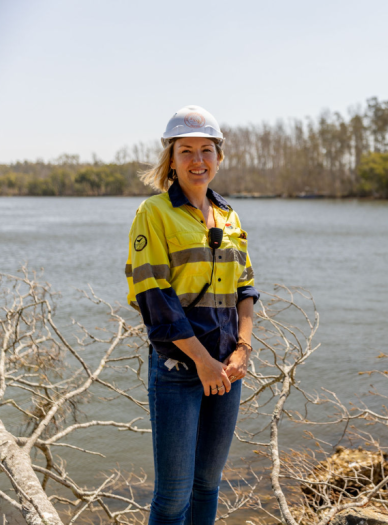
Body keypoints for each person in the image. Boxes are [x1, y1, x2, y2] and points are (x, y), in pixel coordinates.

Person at [125, 105, 259, 524]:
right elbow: (154, 297)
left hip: (227, 371)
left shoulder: (229, 216)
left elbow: (246, 290)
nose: (197, 161)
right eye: (186, 151)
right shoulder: (155, 213)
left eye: (206, 150)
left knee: (207, 485)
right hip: (180, 370)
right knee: (173, 495)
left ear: (219, 157)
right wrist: (202, 362)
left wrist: (242, 349)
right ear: (171, 158)